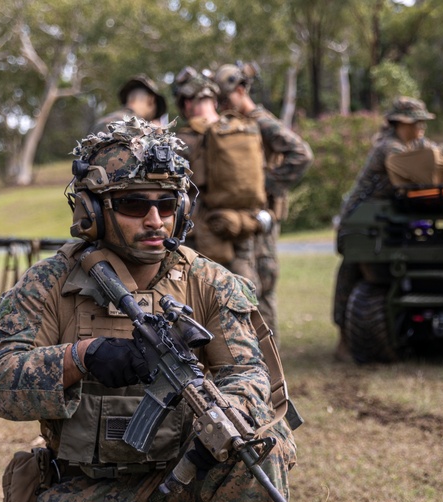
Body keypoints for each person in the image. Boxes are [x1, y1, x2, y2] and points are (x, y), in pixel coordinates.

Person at [0, 118, 298, 502]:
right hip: (90, 484)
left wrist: (220, 417)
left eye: (167, 204)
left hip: (189, 472)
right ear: (92, 210)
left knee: (262, 450)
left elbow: (251, 379)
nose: (155, 219)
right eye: (132, 204)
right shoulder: (50, 284)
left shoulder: (209, 282)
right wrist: (83, 359)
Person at [332, 96, 440, 361]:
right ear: (402, 123)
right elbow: (419, 172)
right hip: (359, 221)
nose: (422, 128)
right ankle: (344, 341)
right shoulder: (389, 147)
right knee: (354, 273)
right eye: (418, 122)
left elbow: (437, 155)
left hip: (384, 219)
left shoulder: (413, 143)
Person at [215, 63, 313, 337]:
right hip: (249, 219)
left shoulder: (260, 120)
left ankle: (271, 367)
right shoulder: (236, 125)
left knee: (263, 286)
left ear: (242, 89)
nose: (222, 105)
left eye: (226, 98)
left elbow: (301, 154)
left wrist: (264, 185)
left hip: (263, 219)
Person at [171, 66, 265, 292]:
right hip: (241, 228)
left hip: (201, 238)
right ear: (214, 101)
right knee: (246, 298)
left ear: (186, 104)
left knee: (200, 302)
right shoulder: (241, 130)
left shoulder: (183, 140)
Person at [89, 74, 167, 134]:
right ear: (151, 100)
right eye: (154, 113)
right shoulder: (143, 131)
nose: (152, 119)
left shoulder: (100, 123)